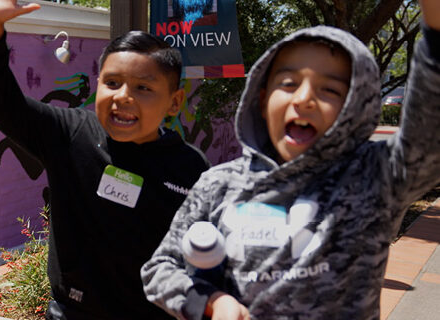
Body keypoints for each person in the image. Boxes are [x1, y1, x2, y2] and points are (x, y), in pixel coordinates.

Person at [141, 2, 440, 319]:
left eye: (330, 89)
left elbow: (429, 136)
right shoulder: (218, 184)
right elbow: (160, 269)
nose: (304, 98)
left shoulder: (375, 177)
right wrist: (212, 301)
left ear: (357, 107)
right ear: (262, 96)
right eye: (288, 84)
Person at [0, 1, 210, 319]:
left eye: (143, 87)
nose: (123, 96)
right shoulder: (70, 134)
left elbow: (205, 256)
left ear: (174, 102)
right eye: (112, 83)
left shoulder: (191, 168)